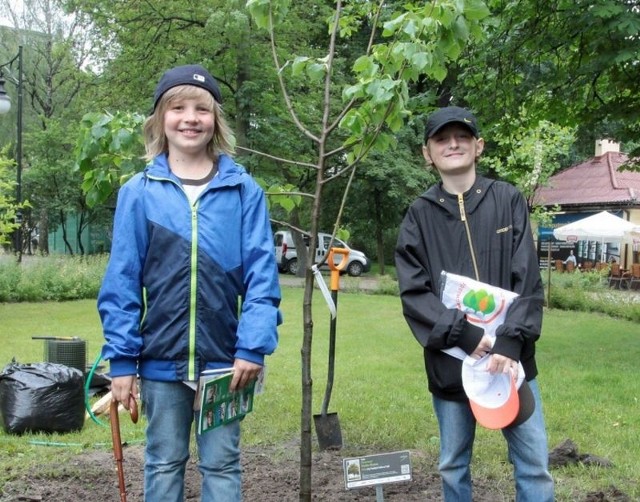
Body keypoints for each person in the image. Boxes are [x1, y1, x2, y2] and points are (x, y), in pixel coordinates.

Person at [98, 64, 282, 502]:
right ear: (161, 118)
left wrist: (251, 346)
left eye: (202, 109)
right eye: (178, 108)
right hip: (160, 363)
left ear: (215, 120)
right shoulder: (140, 192)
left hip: (226, 365)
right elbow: (122, 281)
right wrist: (122, 361)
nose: (190, 118)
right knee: (163, 463)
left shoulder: (244, 191)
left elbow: (262, 276)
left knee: (222, 464)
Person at [395, 106, 554, 502]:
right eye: (442, 139)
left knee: (534, 465)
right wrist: (467, 336)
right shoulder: (418, 215)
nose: (453, 144)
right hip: (452, 363)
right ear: (426, 153)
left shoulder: (508, 200)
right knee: (452, 464)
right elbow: (415, 294)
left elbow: (528, 278)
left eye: (462, 137)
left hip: (511, 362)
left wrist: (510, 342)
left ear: (478, 145)